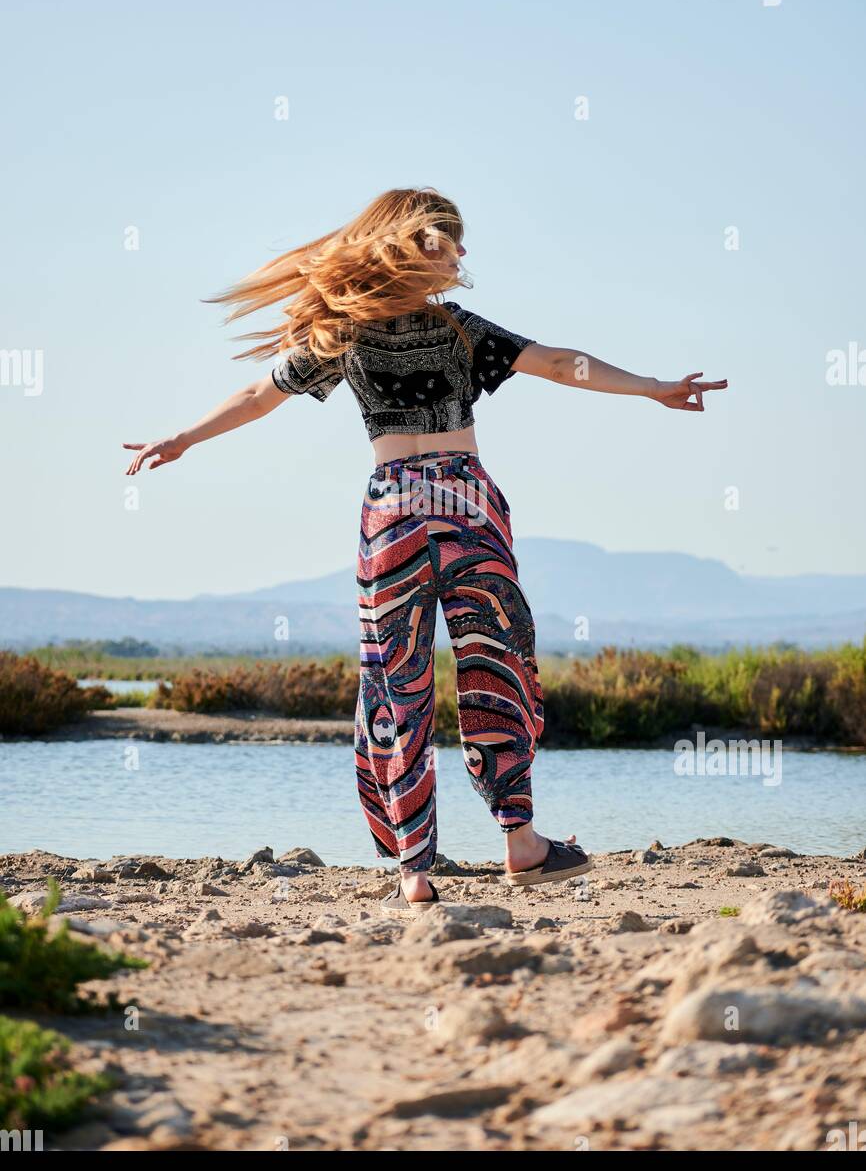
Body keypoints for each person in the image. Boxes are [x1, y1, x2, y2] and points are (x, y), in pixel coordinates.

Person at [124, 187, 727, 910]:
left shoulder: (343, 333)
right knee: (495, 659)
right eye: (453, 240)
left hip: (392, 510)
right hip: (465, 501)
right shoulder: (458, 328)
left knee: (395, 680)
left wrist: (184, 438)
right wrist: (654, 388)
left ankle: (414, 872)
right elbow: (563, 363)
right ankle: (522, 844)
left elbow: (260, 393)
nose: (465, 255)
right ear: (418, 245)